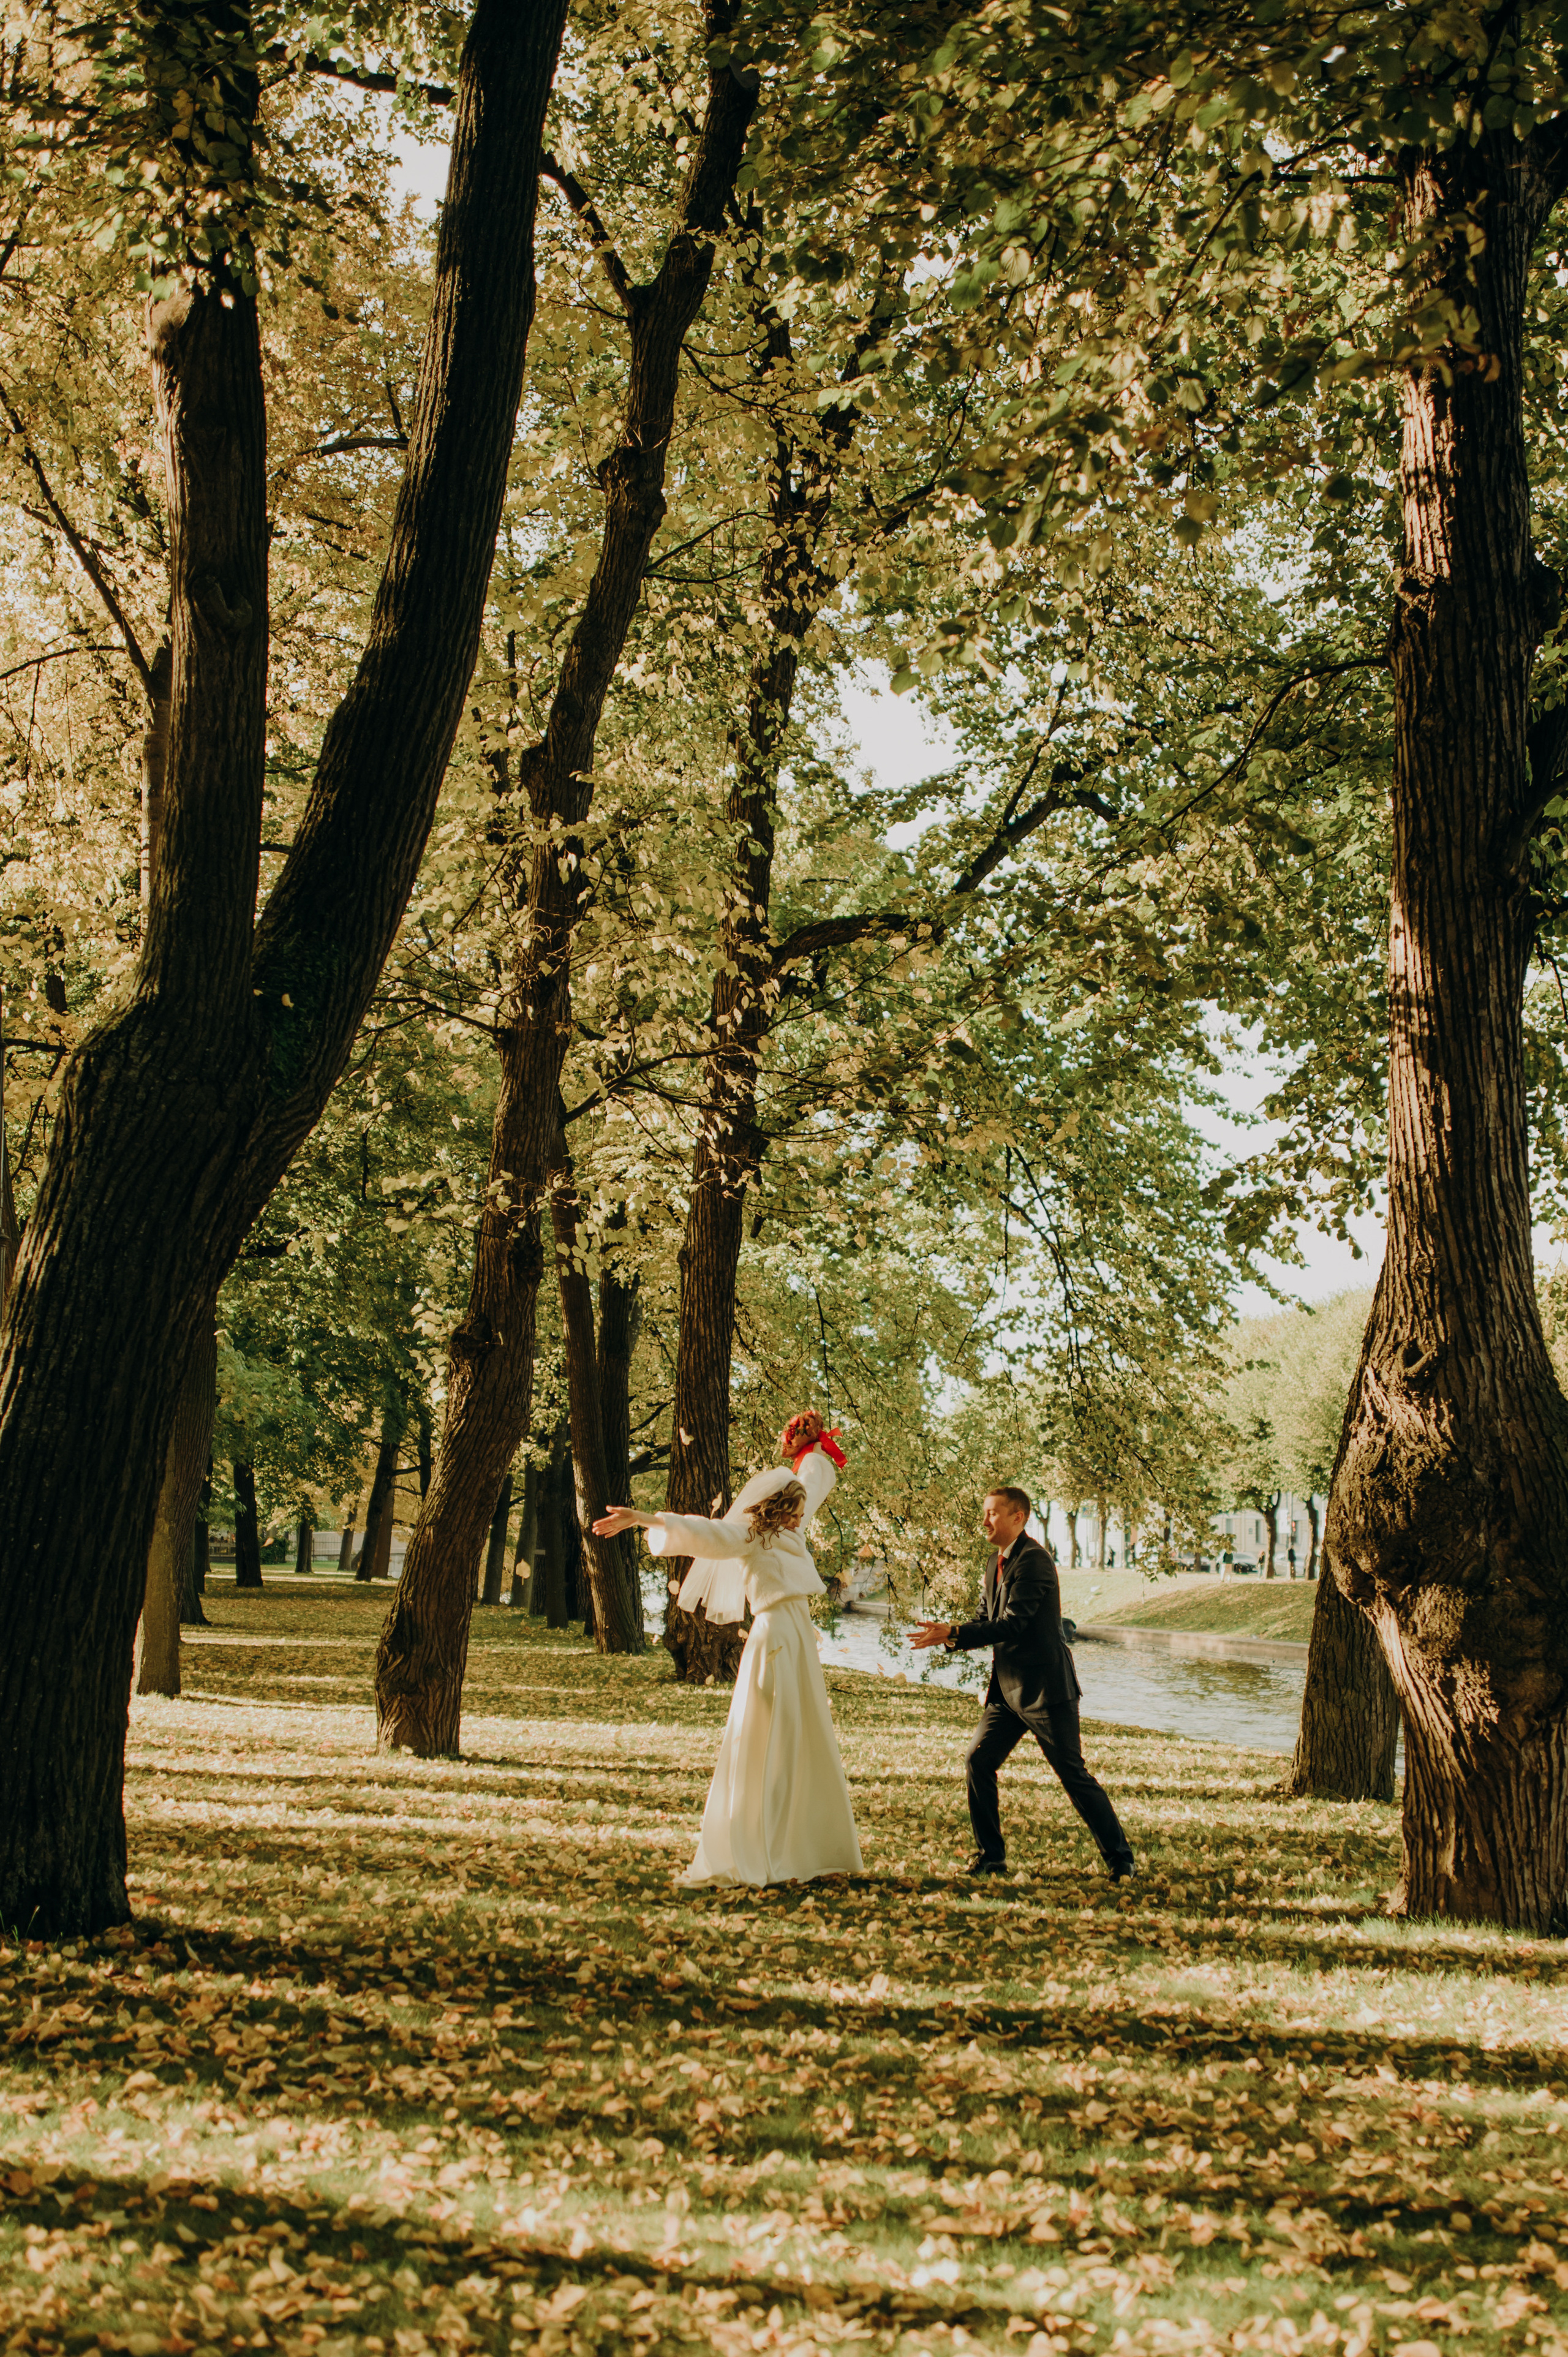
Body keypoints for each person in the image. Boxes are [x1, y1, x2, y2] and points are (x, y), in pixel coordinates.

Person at [592, 1410, 863, 1887]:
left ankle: (810, 1847)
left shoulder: (792, 1534)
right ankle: (766, 1846)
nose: (803, 1514)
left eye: (802, 1507)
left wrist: (815, 1451)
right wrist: (644, 1520)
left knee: (805, 1733)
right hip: (775, 1636)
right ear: (776, 1506)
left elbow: (815, 1483)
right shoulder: (748, 1535)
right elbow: (706, 1533)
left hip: (797, 1635)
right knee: (774, 1735)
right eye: (795, 1507)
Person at [912, 1484, 1134, 1881]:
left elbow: (1012, 1625)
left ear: (1019, 1517)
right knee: (979, 1761)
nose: (985, 1521)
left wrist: (956, 1631)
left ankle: (1121, 1860)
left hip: (1046, 1691)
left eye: (993, 1513)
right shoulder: (994, 1563)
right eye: (985, 1512)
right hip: (1007, 1692)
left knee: (1073, 1775)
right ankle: (992, 1857)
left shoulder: (1034, 1561)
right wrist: (949, 1634)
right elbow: (985, 1621)